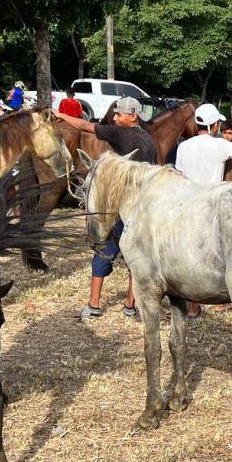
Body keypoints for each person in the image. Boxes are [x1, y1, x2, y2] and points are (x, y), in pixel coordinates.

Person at [58, 97, 158, 322]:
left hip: (122, 205)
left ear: (132, 116)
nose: (114, 118)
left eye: (118, 114)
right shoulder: (148, 138)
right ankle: (130, 306)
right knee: (136, 256)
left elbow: (85, 126)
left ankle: (93, 305)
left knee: (104, 249)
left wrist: (62, 116)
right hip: (144, 207)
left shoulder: (121, 134)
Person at [176, 103, 232, 184]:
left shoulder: (182, 146)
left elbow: (179, 175)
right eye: (218, 123)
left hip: (188, 195)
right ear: (215, 125)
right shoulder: (220, 144)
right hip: (212, 195)